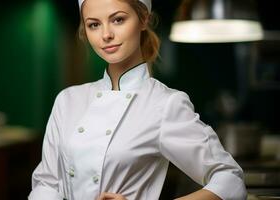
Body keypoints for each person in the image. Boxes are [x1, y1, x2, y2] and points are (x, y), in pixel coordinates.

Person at [28, 0, 247, 199]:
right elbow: (46, 184)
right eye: (94, 24)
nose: (106, 34)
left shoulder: (165, 104)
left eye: (118, 20)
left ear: (144, 20)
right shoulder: (68, 100)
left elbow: (230, 180)